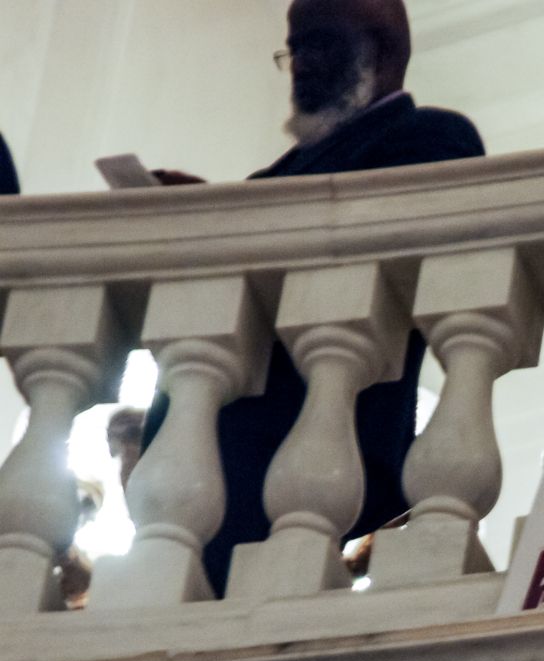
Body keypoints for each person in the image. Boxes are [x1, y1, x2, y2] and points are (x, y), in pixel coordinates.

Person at [144, 0, 485, 593]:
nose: (300, 63)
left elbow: (382, 230)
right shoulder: (270, 180)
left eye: (319, 44)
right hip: (210, 451)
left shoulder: (431, 136)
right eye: (293, 47)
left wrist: (221, 215)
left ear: (380, 51)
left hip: (317, 436)